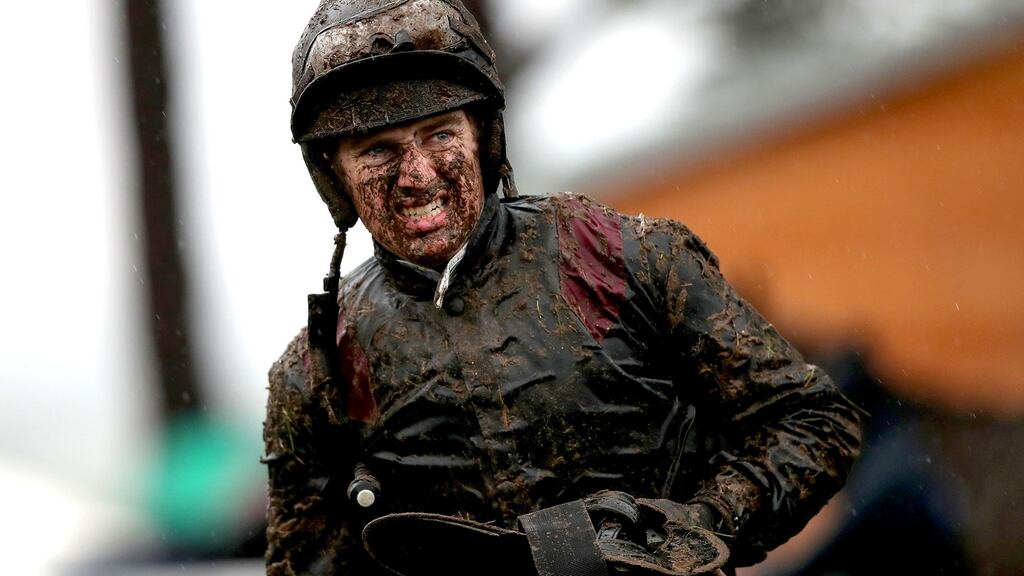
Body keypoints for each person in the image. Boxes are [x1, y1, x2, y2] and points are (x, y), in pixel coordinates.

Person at [263, 1, 864, 575]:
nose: (418, 175)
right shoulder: (317, 371)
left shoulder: (628, 261)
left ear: (484, 136)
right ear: (333, 177)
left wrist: (698, 525)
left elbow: (813, 420)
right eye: (378, 150)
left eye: (440, 134)